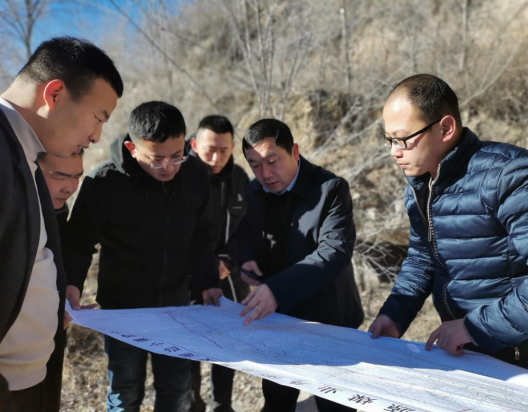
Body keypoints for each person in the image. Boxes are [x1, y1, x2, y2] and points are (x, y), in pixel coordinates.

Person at [369, 74, 528, 376]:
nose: (394, 151)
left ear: (446, 128)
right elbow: (423, 259)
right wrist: (395, 315)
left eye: (402, 139)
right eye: (389, 139)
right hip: (468, 352)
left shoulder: (514, 177)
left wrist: (473, 328)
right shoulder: (420, 186)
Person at [64, 101, 223, 412]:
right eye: (157, 159)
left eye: (177, 155)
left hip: (176, 304)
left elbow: (203, 234)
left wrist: (207, 281)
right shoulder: (104, 183)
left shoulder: (194, 175)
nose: (169, 167)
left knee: (178, 389)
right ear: (132, 148)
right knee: (125, 391)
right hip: (122, 308)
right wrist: (71, 283)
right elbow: (79, 242)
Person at [0, 36, 123, 412]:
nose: (96, 137)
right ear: (54, 94)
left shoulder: (25, 151)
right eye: (99, 117)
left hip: (30, 380)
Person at [238, 119, 365, 412]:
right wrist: (246, 257)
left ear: (294, 151)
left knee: (336, 405)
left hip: (329, 320)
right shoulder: (254, 190)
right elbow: (243, 234)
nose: (265, 173)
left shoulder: (330, 189)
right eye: (255, 165)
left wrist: (277, 290)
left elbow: (334, 252)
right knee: (277, 401)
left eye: (272, 161)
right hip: (277, 321)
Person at [188, 116, 250, 412]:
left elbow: (247, 227)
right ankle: (192, 404)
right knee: (190, 346)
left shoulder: (240, 178)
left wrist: (228, 261)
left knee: (226, 344)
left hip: (228, 276)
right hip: (189, 277)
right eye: (209, 150)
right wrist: (204, 268)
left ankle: (221, 405)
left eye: (224, 151)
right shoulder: (181, 176)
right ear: (194, 144)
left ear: (233, 147)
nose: (216, 159)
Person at [37, 151, 86, 411]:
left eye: (77, 176)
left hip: (52, 334)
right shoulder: (17, 213)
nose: (70, 187)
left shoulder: (59, 209)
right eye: (59, 176)